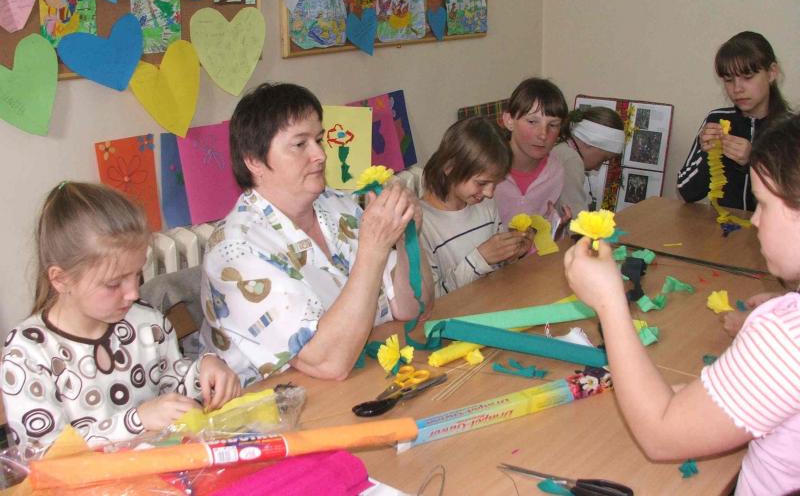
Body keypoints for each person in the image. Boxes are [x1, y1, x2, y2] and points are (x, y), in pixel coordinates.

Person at [564, 112, 800, 496]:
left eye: (763, 204)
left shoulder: (787, 338)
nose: (755, 220)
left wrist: (609, 303)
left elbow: (662, 435)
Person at [200, 83, 433, 386]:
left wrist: (407, 238)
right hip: (280, 401)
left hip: (357, 377)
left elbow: (413, 307)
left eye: (319, 140)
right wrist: (374, 248)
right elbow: (329, 362)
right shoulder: (235, 249)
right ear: (254, 161)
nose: (320, 155)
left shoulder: (335, 205)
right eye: (300, 144)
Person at [0, 182, 241, 452]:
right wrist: (135, 421)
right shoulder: (29, 352)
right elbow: (43, 453)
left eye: (137, 275)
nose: (133, 293)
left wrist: (205, 371)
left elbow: (172, 384)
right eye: (114, 284)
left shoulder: (148, 324)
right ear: (61, 279)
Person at [677, 31, 790, 211]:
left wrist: (754, 161)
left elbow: (792, 201)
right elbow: (686, 192)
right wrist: (708, 154)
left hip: (771, 228)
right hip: (722, 226)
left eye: (748, 77)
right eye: (729, 80)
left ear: (771, 73)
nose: (737, 89)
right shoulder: (717, 119)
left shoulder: (790, 128)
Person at [420, 117, 531, 298]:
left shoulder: (485, 205)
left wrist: (512, 254)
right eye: (482, 183)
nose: (490, 193)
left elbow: (498, 273)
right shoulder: (421, 224)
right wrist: (480, 259)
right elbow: (434, 300)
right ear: (450, 167)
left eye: (495, 183)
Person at [495, 77, 570, 227]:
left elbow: (541, 228)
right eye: (532, 122)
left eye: (553, 125)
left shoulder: (555, 171)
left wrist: (554, 229)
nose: (543, 135)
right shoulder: (483, 170)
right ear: (509, 120)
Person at [551, 106, 625, 214]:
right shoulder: (571, 160)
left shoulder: (560, 147)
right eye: (603, 159)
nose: (597, 168)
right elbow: (574, 217)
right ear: (590, 142)